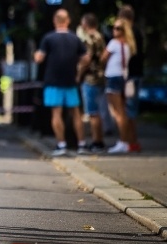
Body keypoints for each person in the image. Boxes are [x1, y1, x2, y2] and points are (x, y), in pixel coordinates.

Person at [33, 9, 89, 156]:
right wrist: (79, 72)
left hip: (53, 81)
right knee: (76, 113)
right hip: (71, 80)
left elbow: (39, 58)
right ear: (68, 21)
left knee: (56, 113)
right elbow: (86, 58)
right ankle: (82, 144)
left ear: (54, 21)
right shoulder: (75, 38)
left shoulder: (48, 38)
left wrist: (36, 55)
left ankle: (61, 145)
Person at [101, 17, 136, 154]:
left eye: (117, 28)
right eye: (113, 28)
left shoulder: (114, 43)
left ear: (123, 31)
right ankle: (125, 140)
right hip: (122, 77)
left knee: (117, 112)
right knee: (123, 111)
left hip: (112, 77)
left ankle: (123, 141)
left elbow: (104, 58)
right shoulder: (128, 45)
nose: (114, 31)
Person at [77, 12, 108, 152]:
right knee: (98, 111)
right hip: (100, 77)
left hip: (90, 78)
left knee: (92, 112)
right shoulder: (100, 36)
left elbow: (86, 59)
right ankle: (99, 140)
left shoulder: (89, 38)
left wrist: (79, 75)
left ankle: (97, 142)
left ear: (85, 24)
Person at [117, 5, 144, 152]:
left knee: (128, 109)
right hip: (137, 75)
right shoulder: (138, 32)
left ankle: (129, 141)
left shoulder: (127, 35)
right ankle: (131, 141)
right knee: (131, 109)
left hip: (129, 77)